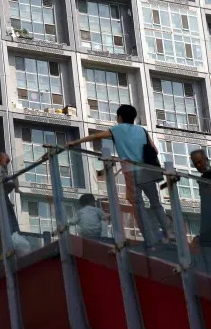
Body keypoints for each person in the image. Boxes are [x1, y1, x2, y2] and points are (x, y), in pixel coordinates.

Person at [66, 105, 171, 246]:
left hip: (131, 171)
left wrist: (75, 142)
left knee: (138, 205)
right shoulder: (142, 130)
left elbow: (95, 136)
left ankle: (150, 240)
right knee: (156, 203)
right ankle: (168, 232)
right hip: (148, 170)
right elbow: (155, 150)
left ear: (120, 117)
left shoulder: (117, 129)